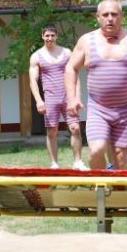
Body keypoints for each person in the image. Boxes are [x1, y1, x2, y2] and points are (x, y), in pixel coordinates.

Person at [65, 0, 127, 169]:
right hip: (98, 108)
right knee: (96, 150)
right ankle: (99, 185)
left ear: (121, 16)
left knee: (121, 159)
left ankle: (118, 186)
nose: (110, 18)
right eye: (105, 15)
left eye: (114, 14)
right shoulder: (87, 40)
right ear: (97, 17)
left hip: (125, 109)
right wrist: (71, 98)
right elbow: (71, 68)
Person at [29, 25, 88, 170]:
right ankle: (54, 164)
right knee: (52, 131)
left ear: (56, 36)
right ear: (42, 36)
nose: (49, 38)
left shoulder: (66, 53)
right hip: (50, 98)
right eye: (47, 36)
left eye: (52, 35)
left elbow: (75, 75)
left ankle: (78, 162)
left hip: (68, 97)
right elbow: (33, 81)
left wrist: (77, 97)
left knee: (75, 128)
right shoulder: (36, 56)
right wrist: (38, 101)